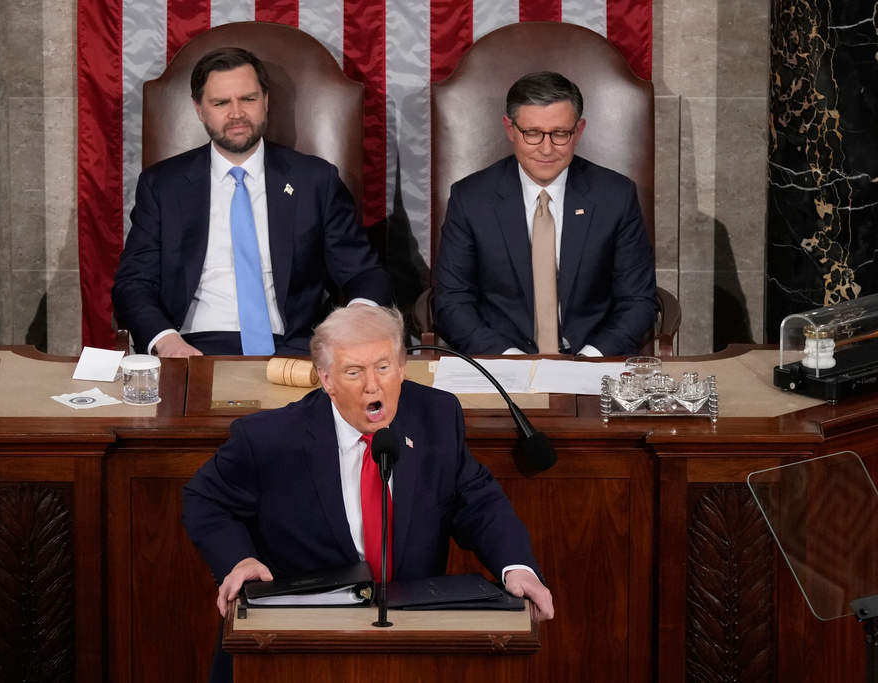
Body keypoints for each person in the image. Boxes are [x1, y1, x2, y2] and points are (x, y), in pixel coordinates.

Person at [182, 305, 554, 681]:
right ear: (326, 380)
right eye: (353, 372)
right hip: (303, 642)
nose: (372, 385)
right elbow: (204, 499)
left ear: (402, 367)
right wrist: (238, 561)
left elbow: (478, 501)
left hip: (412, 642)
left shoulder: (437, 416)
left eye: (383, 366)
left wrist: (516, 565)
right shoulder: (270, 438)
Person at [112, 47, 392, 357]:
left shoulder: (314, 180)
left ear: (266, 101)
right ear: (199, 109)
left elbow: (365, 273)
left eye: (248, 99)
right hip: (192, 347)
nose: (236, 114)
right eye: (220, 103)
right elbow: (134, 282)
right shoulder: (163, 185)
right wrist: (166, 342)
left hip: (293, 348)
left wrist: (355, 320)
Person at [433, 71, 657, 357]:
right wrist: (507, 358)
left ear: (579, 131)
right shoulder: (471, 198)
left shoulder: (615, 196)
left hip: (592, 358)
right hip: (501, 360)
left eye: (560, 133)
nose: (547, 149)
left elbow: (637, 300)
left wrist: (592, 357)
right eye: (533, 133)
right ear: (510, 129)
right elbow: (452, 302)